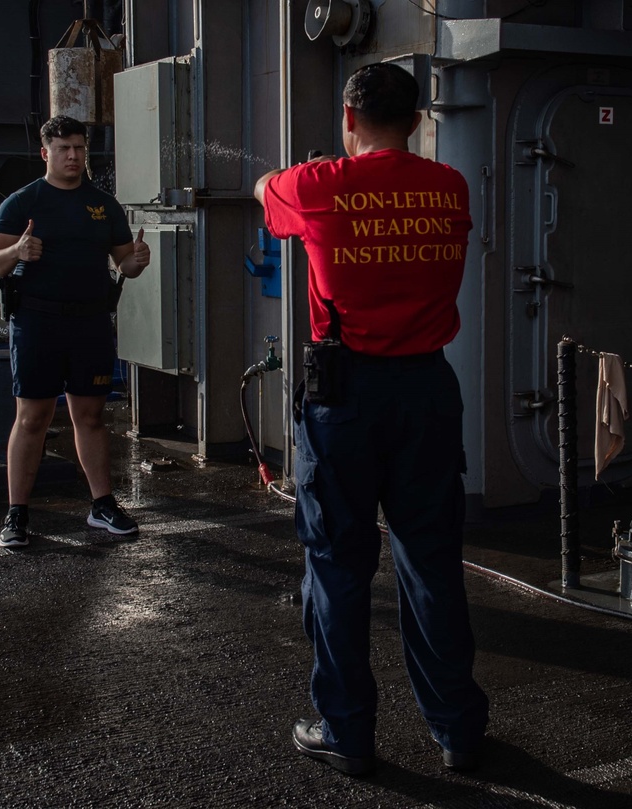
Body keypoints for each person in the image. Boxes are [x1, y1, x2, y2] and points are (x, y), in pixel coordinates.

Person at [254, 62, 489, 776]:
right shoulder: (449, 186)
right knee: (431, 560)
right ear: (417, 122)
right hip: (426, 391)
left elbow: (267, 194)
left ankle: (347, 728)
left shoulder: (321, 187)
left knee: (338, 564)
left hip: (346, 395)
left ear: (350, 120)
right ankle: (456, 728)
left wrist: (307, 168)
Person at [0, 115, 150, 548]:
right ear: (46, 154)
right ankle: (17, 513)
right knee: (32, 416)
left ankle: (102, 504)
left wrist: (137, 260)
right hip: (37, 322)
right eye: (63, 149)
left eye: (78, 148)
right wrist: (17, 250)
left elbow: (124, 263)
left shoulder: (103, 204)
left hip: (90, 322)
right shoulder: (22, 203)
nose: (73, 156)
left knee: (90, 416)